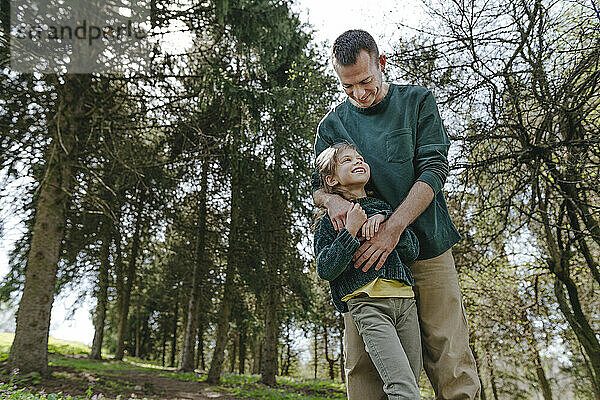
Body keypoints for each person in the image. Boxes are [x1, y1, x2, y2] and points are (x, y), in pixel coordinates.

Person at [311, 29, 481, 400]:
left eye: (365, 81)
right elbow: (319, 187)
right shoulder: (332, 125)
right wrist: (334, 202)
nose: (358, 93)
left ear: (381, 64)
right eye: (348, 86)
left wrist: (394, 227)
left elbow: (434, 169)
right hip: (365, 262)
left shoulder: (417, 101)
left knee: (447, 351)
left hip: (427, 244)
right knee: (364, 363)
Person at [314, 142, 422, 399]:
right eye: (347, 160)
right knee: (403, 390)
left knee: (410, 384)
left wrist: (389, 225)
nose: (358, 162)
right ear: (332, 179)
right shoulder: (329, 222)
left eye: (360, 157)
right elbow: (326, 268)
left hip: (406, 304)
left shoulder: (384, 208)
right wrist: (350, 231)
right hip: (368, 305)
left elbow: (411, 251)